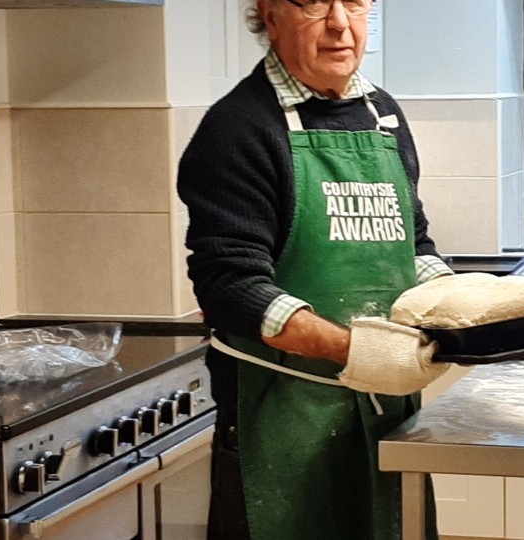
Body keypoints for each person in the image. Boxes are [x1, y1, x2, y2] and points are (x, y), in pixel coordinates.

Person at [176, 0, 453, 538]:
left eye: (354, 2)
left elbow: (413, 244)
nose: (339, 24)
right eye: (312, 3)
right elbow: (231, 285)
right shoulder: (238, 128)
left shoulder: (383, 115)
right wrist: (354, 350)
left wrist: (453, 301)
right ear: (269, 15)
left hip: (386, 409)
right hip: (281, 414)